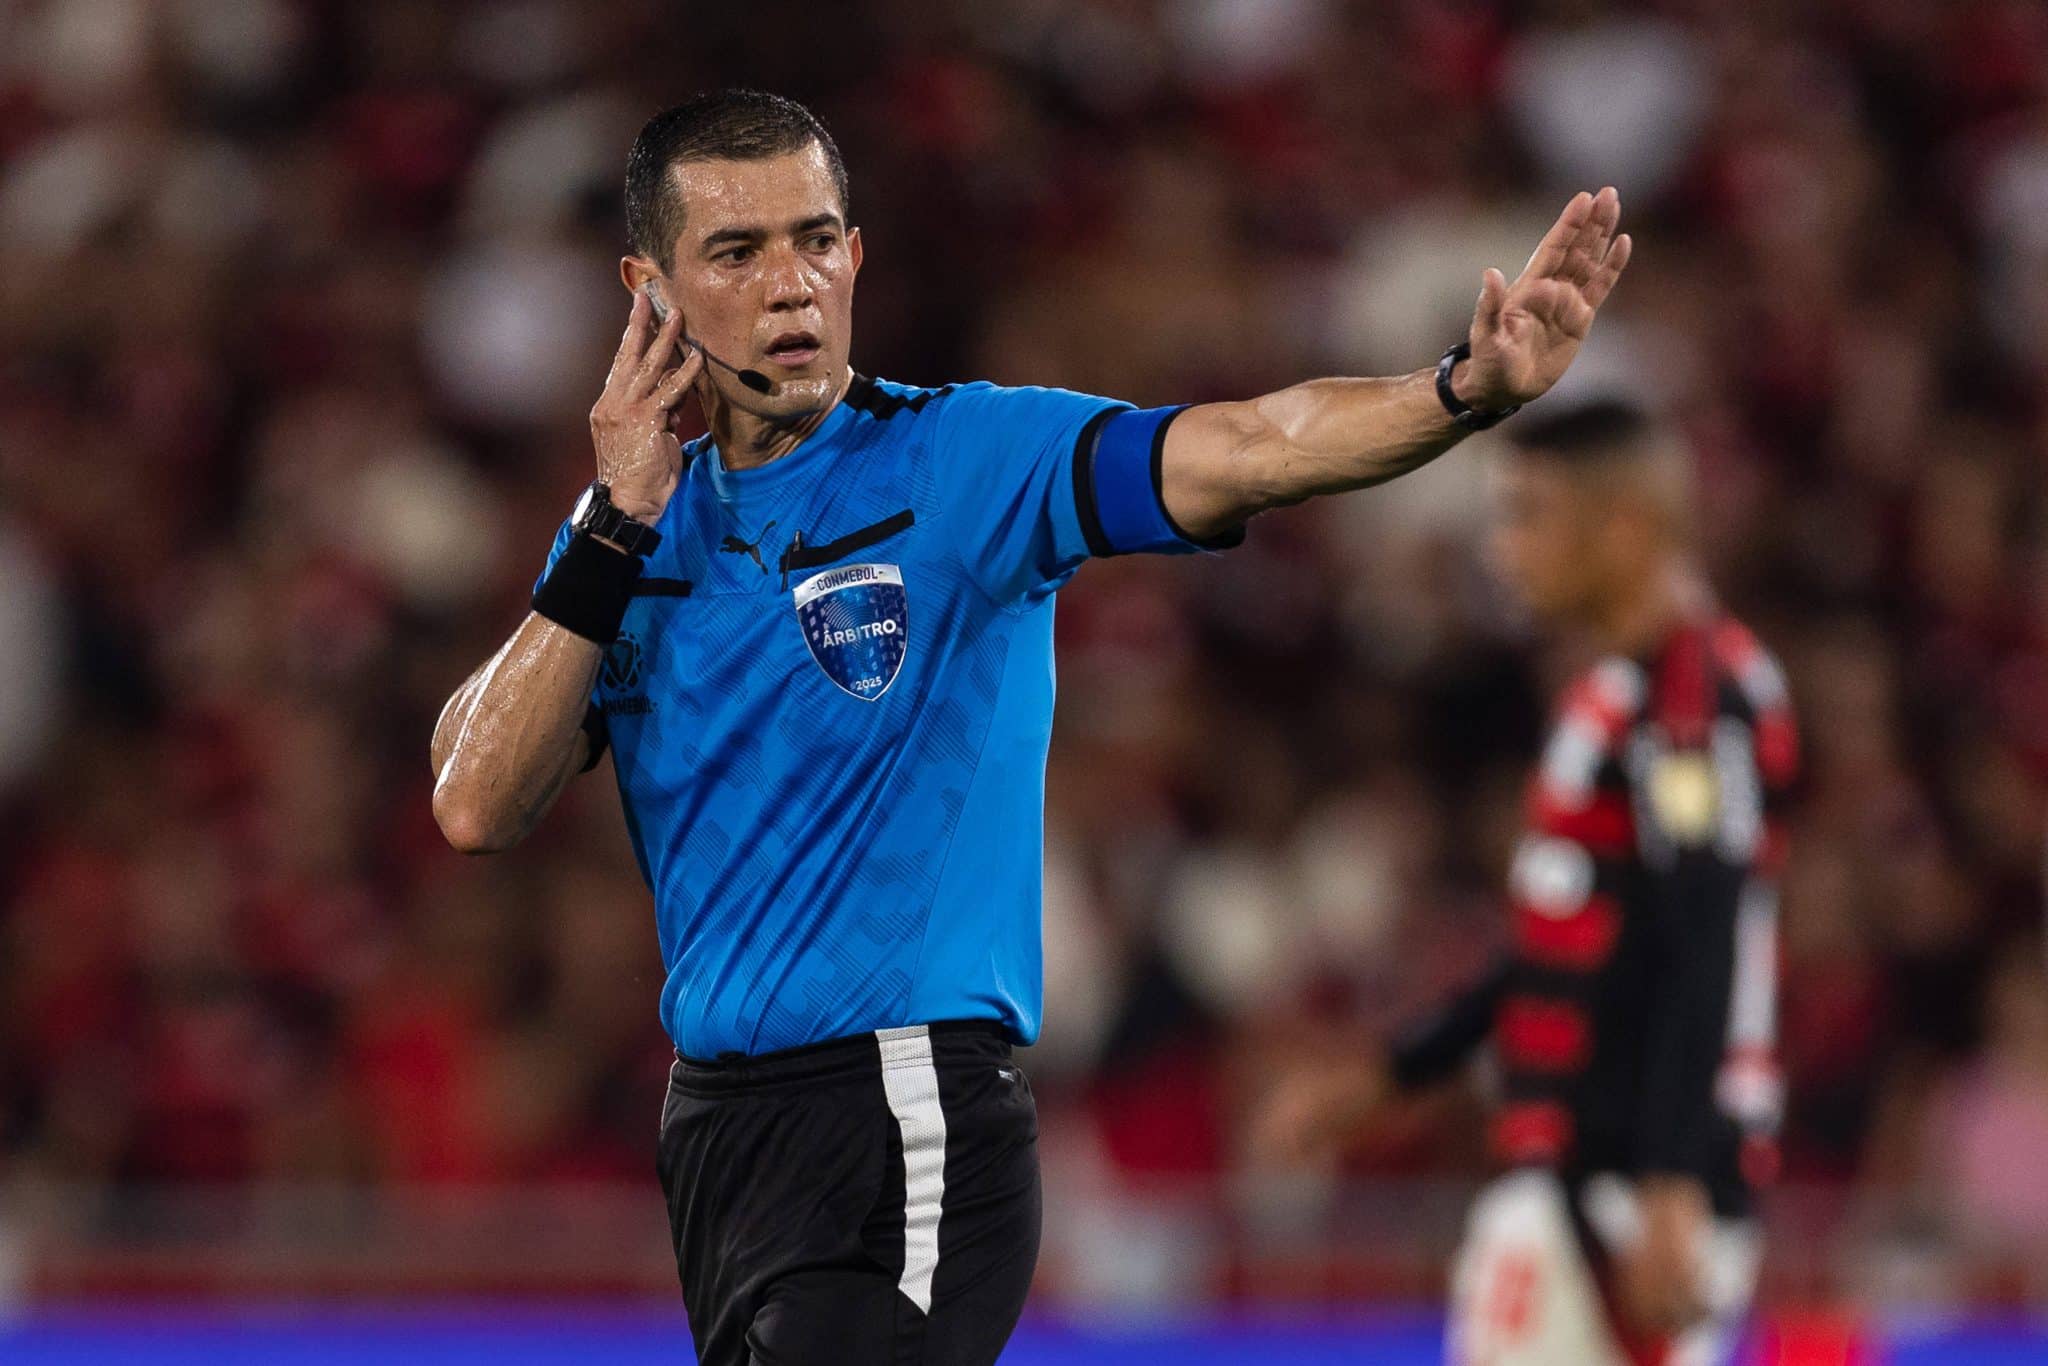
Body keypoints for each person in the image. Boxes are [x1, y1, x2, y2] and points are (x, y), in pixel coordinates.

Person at [428, 87, 1630, 1366]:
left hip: (906, 1106)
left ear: (854, 254)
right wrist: (610, 526)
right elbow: (472, 801)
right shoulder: (624, 545)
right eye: (735, 252)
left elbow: (1246, 445)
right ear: (649, 290)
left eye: (815, 239)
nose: (789, 284)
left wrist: (1458, 389)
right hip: (720, 1137)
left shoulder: (962, 461)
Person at [1252, 400, 1799, 1366]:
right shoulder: (1608, 694)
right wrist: (1396, 1073)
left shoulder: (1692, 705)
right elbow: (1565, 940)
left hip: (1633, 1173)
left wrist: (1672, 1177)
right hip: (1573, 1163)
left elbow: (1703, 933)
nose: (1504, 550)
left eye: (1529, 516)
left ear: (1623, 527)